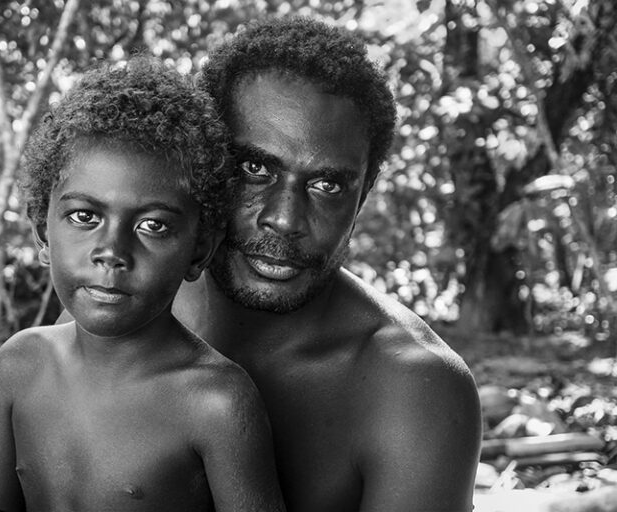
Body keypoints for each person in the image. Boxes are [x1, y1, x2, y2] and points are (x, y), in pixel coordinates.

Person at [171, 16, 483, 512]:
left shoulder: (413, 389)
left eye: (327, 185)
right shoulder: (131, 307)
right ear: (205, 162)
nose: (284, 219)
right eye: (256, 168)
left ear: (362, 197)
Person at [0, 59, 285, 512]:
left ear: (198, 252)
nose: (112, 251)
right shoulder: (19, 364)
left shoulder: (216, 402)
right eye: (85, 217)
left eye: (153, 225)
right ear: (43, 233)